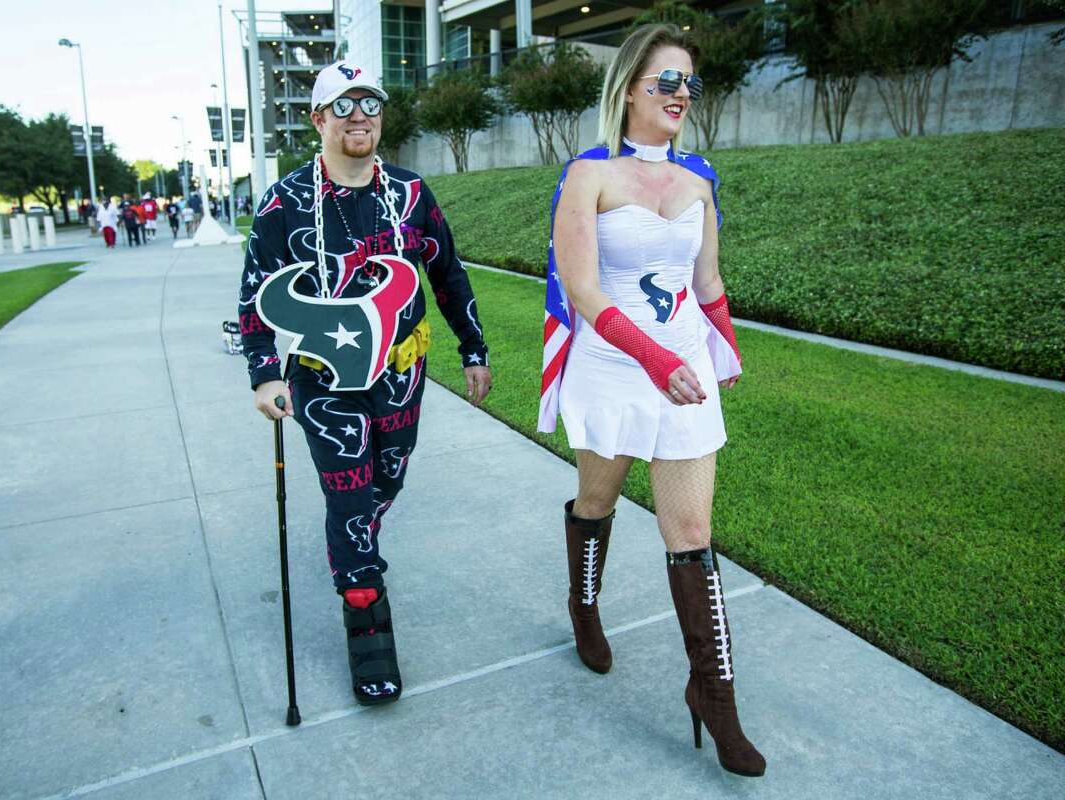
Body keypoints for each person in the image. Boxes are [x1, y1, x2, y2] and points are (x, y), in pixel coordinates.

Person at [540, 24, 764, 777]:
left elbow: (705, 284)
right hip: (614, 368)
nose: (680, 95)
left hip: (684, 370)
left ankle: (715, 695)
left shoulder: (699, 180)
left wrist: (723, 345)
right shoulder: (589, 176)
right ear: (631, 86)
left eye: (689, 84)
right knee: (597, 501)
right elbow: (583, 289)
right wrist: (652, 357)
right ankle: (583, 604)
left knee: (693, 529)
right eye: (666, 81)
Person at [238, 61, 492, 706]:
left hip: (403, 372)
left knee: (388, 479)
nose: (360, 117)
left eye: (370, 105)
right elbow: (254, 298)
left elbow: (449, 275)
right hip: (322, 383)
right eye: (344, 106)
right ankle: (366, 617)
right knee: (349, 499)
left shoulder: (410, 193)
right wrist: (264, 375)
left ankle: (353, 549)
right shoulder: (282, 202)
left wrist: (473, 348)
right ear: (318, 119)